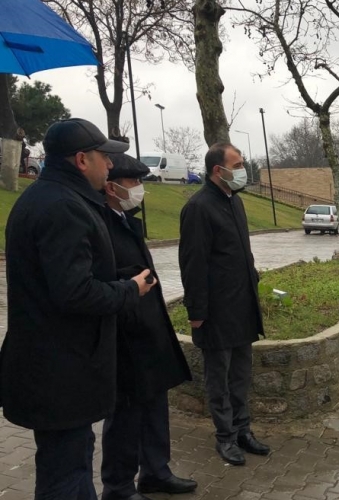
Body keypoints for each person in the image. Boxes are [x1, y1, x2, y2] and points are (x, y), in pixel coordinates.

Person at [0, 118, 157, 499]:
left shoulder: (50, 197)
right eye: (105, 157)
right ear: (82, 159)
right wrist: (128, 289)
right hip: (60, 372)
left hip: (57, 368)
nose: (110, 166)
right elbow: (75, 294)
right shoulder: (63, 208)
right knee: (66, 473)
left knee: (68, 463)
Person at [100, 153, 197, 500]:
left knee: (155, 405)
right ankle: (119, 486)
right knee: (125, 416)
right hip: (125, 336)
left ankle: (156, 471)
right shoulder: (99, 222)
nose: (139, 189)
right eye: (133, 183)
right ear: (111, 187)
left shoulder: (126, 218)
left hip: (149, 329)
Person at [178, 142, 269, 466]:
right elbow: (193, 264)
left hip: (241, 307)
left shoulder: (236, 202)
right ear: (219, 170)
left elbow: (241, 253)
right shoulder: (199, 207)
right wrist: (197, 313)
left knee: (241, 376)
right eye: (238, 164)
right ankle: (225, 437)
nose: (244, 169)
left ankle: (243, 430)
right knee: (219, 378)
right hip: (215, 312)